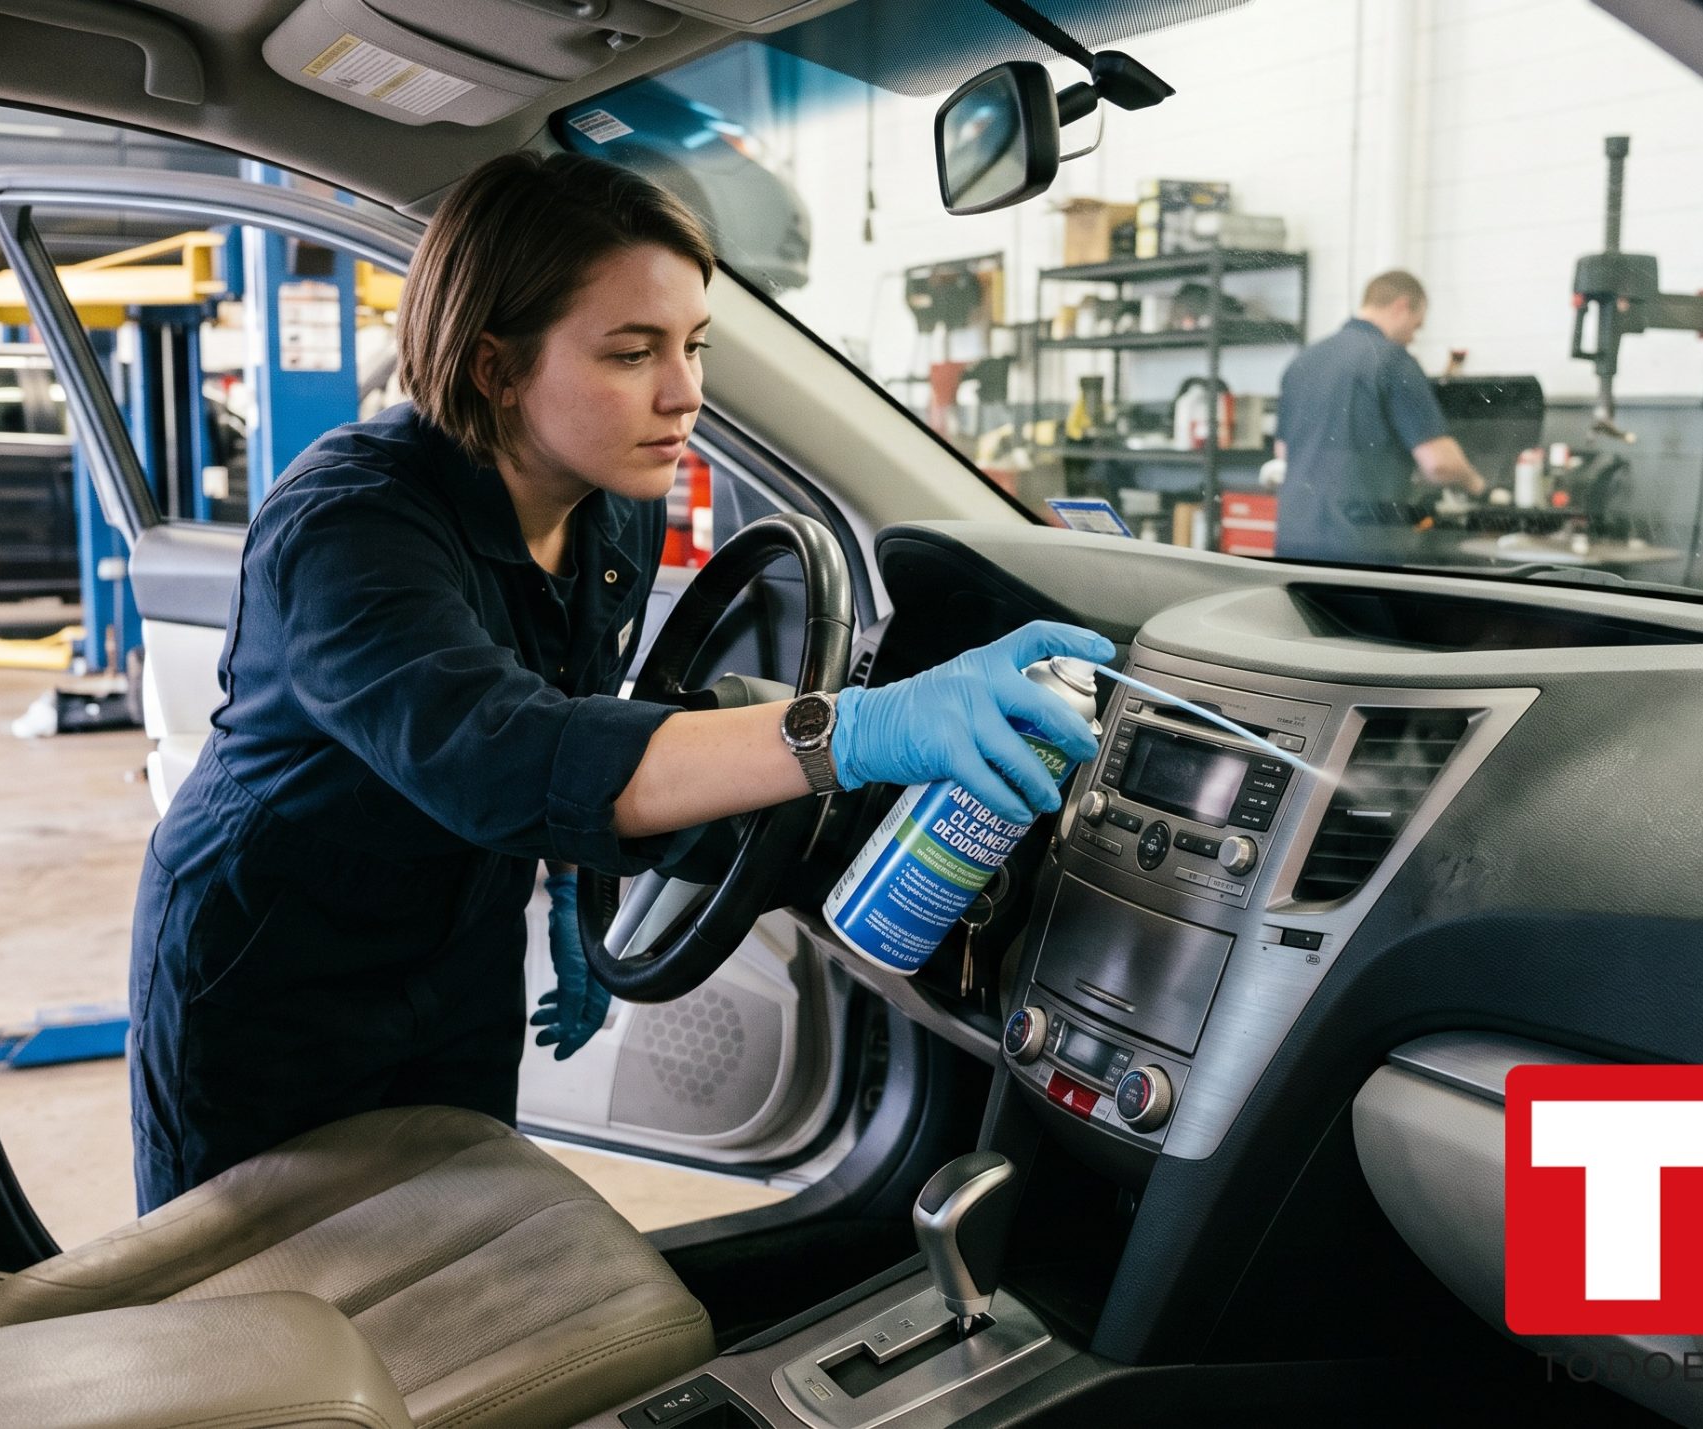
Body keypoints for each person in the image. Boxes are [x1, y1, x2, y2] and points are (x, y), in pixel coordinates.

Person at [128, 152, 1113, 1212]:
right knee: (248, 1313)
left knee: (446, 1257)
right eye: (631, 352)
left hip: (458, 948)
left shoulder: (612, 500)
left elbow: (577, 711)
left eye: (693, 346)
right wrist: (857, 729)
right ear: (492, 367)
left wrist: (567, 895)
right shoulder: (350, 525)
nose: (685, 394)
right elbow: (507, 753)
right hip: (274, 967)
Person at [1270, 270, 1489, 563]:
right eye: (1417, 325)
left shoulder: (1302, 361)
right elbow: (1438, 464)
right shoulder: (1393, 360)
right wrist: (1479, 487)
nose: (1414, 336)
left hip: (1294, 538)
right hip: (1360, 547)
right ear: (1401, 306)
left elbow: (1283, 452)